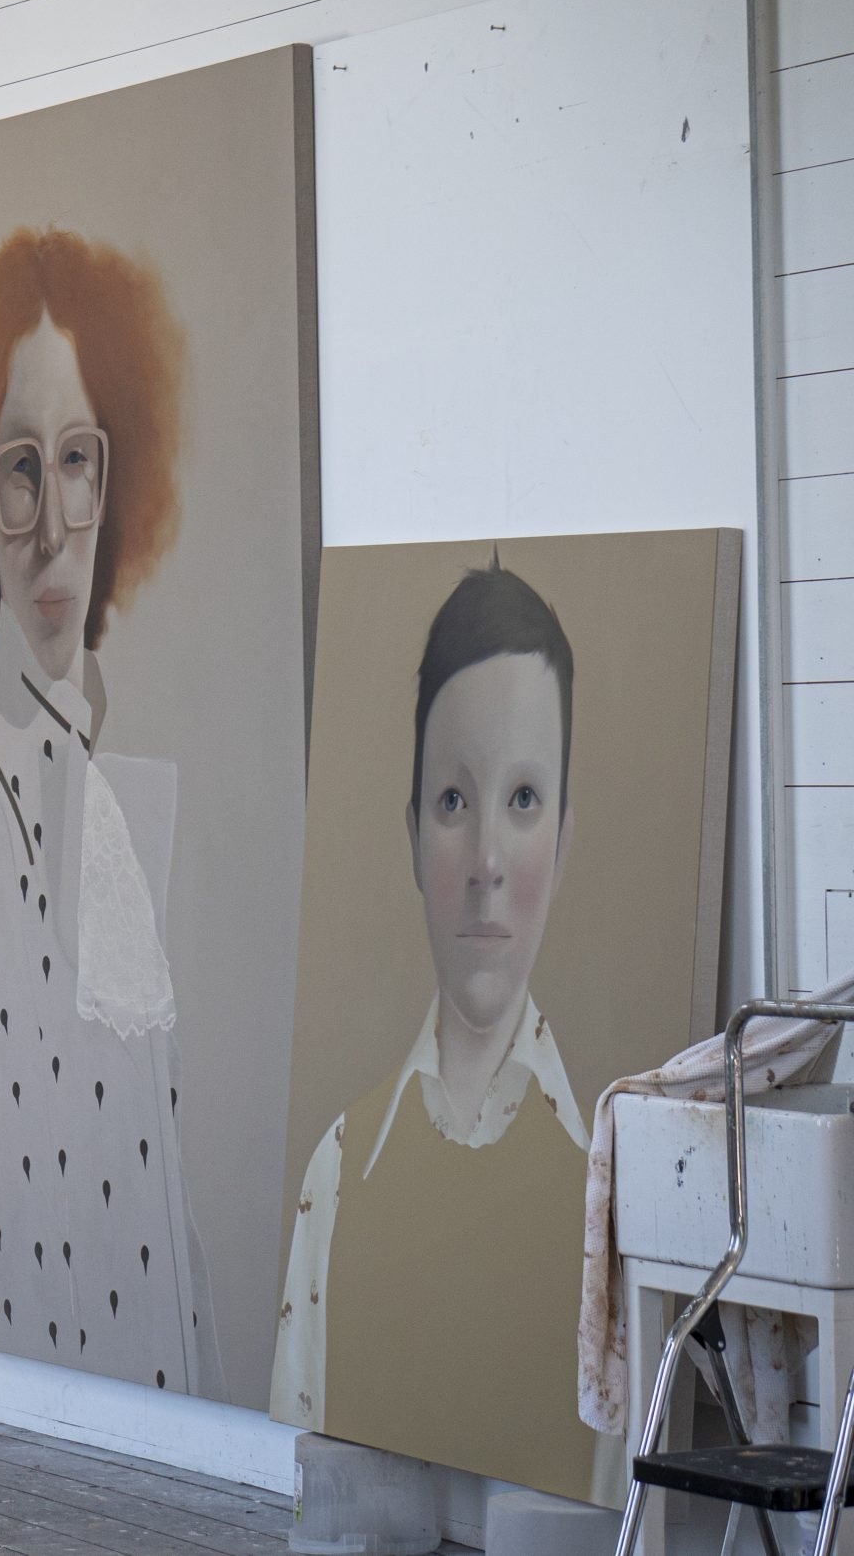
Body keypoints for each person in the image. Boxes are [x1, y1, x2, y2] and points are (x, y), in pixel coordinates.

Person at [0, 227, 223, 1396]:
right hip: (75, 1418)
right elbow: (11, 1209)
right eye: (19, 466)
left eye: (78, 459)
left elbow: (164, 1166)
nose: (52, 524)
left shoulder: (119, 793)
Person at [269, 563, 601, 1501]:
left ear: (564, 840)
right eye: (454, 802)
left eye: (524, 800)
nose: (488, 862)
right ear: (414, 832)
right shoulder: (338, 1175)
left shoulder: (603, 1193)